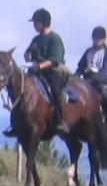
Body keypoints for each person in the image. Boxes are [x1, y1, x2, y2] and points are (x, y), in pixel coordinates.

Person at [4, 8, 65, 137]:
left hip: (52, 72)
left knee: (55, 90)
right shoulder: (36, 39)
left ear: (43, 23)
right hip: (36, 72)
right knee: (19, 89)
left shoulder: (55, 39)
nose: (34, 25)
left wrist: (39, 66)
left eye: (36, 22)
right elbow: (28, 53)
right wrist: (28, 56)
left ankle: (61, 120)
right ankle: (15, 124)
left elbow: (55, 60)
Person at [76, 25, 107, 132]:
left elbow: (104, 71)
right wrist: (74, 77)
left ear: (103, 39)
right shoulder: (88, 52)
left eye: (99, 38)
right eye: (95, 38)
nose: (96, 40)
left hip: (102, 83)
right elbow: (80, 67)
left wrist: (94, 80)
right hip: (87, 82)